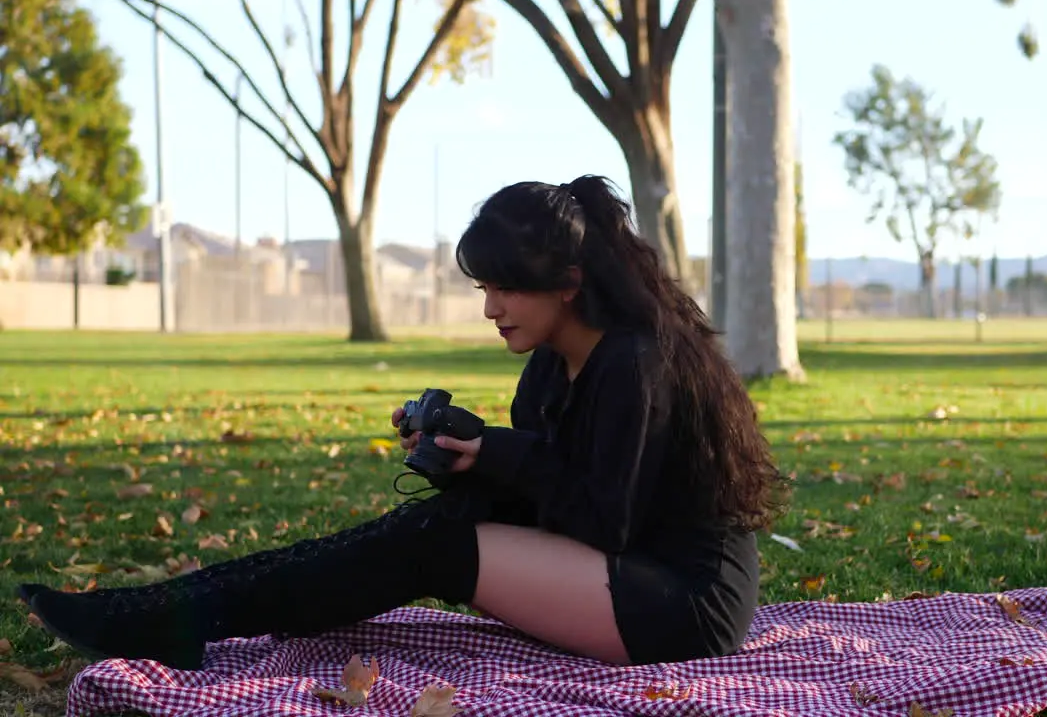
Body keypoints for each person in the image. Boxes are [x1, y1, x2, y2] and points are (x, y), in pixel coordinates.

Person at [17, 175, 789, 670]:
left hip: (679, 604)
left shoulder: (634, 363)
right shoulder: (553, 366)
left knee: (436, 544)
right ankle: (167, 611)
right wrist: (468, 456)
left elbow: (604, 520)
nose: (490, 308)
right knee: (425, 525)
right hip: (614, 573)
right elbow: (549, 493)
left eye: (505, 289)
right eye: (484, 287)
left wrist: (500, 453)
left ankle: (178, 622)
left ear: (568, 283)